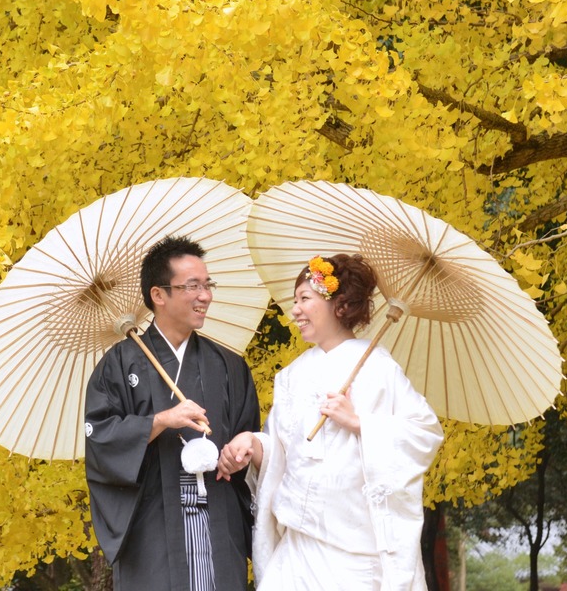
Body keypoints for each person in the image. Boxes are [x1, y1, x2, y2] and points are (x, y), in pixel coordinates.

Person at [217, 254, 444, 590]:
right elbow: (282, 452)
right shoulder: (291, 376)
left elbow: (425, 433)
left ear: (340, 305)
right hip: (299, 548)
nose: (295, 310)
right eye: (295, 301)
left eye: (305, 299)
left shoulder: (378, 368)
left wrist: (360, 422)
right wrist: (251, 444)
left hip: (355, 553)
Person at [84, 235, 262, 590]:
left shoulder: (228, 366)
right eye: (192, 286)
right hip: (153, 521)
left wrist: (239, 455)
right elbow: (101, 440)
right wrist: (160, 421)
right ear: (158, 295)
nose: (205, 296)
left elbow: (250, 434)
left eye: (207, 285)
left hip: (219, 514)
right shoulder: (118, 365)